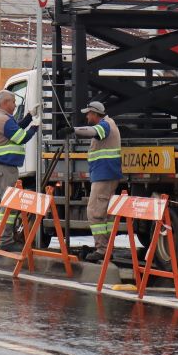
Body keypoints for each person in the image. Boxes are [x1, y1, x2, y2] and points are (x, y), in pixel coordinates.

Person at [0, 90, 39, 249]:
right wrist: (35, 127)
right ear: (5, 103)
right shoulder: (4, 120)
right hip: (6, 169)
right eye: (13, 102)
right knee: (9, 205)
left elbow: (15, 128)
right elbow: (21, 137)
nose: (15, 105)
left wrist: (29, 116)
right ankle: (6, 241)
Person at [73, 101, 122, 260]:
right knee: (103, 215)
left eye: (88, 113)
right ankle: (106, 249)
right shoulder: (109, 124)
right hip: (105, 175)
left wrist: (73, 130)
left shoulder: (105, 126)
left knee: (94, 213)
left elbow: (93, 131)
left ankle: (101, 250)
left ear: (95, 113)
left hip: (104, 176)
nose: (87, 116)